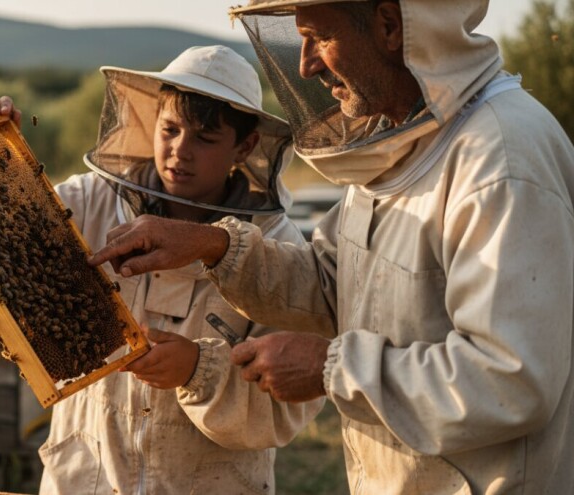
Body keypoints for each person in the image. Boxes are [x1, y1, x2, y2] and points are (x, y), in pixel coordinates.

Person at [88, 1, 574, 493]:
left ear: (389, 26)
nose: (305, 64)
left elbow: (510, 379)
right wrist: (213, 245)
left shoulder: (500, 156)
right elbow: (332, 285)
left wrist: (330, 369)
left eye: (319, 37)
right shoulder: (403, 145)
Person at [0, 45, 324, 494]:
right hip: (86, 478)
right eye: (170, 129)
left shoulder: (277, 250)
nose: (179, 151)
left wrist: (198, 369)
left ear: (245, 145)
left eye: (204, 138)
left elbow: (286, 406)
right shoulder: (90, 203)